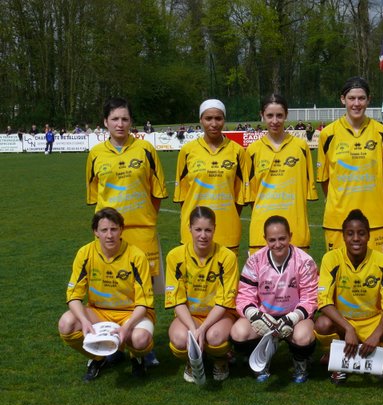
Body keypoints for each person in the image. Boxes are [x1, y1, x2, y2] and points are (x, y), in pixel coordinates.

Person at [58, 208, 155, 381]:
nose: (109, 235)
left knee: (140, 340)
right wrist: (85, 320)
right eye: (104, 230)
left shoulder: (136, 256)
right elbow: (73, 296)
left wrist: (127, 327)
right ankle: (98, 358)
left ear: (121, 230)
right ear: (95, 232)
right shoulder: (85, 253)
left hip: (132, 313)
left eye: (114, 229)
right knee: (67, 324)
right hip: (99, 312)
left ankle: (137, 357)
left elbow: (144, 303)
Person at [314, 209, 383, 384]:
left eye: (361, 233)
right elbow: (323, 301)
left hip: (372, 320)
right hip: (343, 321)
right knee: (322, 324)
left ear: (369, 236)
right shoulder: (331, 259)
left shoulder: (381, 261)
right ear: (343, 236)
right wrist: (348, 329)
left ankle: (379, 358)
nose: (356, 238)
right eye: (350, 234)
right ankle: (339, 361)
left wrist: (376, 334)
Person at [86, 98, 168, 281]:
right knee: (113, 289)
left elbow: (157, 193)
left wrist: (147, 219)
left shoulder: (146, 149)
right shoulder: (95, 154)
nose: (120, 124)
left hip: (142, 233)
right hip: (109, 234)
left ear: (131, 121)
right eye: (115, 119)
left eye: (125, 119)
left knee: (145, 295)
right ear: (105, 122)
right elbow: (95, 196)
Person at [231, 215, 318, 383]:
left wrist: (292, 318)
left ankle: (300, 361)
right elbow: (244, 295)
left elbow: (310, 298)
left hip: (295, 317)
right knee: (238, 333)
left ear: (290, 236)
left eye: (282, 238)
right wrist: (255, 316)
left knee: (303, 337)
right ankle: (261, 357)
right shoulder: (255, 261)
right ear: (265, 239)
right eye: (272, 240)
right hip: (265, 316)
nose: (277, 244)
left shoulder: (305, 262)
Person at [317, 77, 383, 253]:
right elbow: (324, 179)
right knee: (340, 276)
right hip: (338, 221)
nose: (356, 103)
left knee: (375, 276)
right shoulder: (328, 134)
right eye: (352, 98)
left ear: (369, 100)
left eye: (361, 98)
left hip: (375, 221)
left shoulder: (382, 133)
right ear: (343, 100)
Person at [165, 207, 238, 383]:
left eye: (208, 230)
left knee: (214, 337)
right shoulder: (175, 256)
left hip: (220, 316)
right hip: (190, 315)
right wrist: (193, 329)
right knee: (179, 339)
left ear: (214, 229)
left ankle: (220, 360)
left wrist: (202, 329)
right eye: (198, 229)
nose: (203, 235)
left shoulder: (227, 257)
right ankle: (193, 360)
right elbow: (178, 301)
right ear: (189, 228)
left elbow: (224, 302)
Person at [173, 99, 249, 253]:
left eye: (218, 118)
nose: (213, 123)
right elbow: (182, 196)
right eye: (208, 118)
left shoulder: (238, 151)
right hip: (193, 233)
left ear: (224, 120)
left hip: (227, 232)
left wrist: (227, 216)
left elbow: (239, 197)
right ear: (201, 120)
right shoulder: (187, 151)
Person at [246, 94, 318, 253]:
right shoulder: (252, 151)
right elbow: (251, 196)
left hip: (296, 232)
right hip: (261, 235)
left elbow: (308, 191)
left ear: (286, 115)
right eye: (270, 115)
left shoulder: (301, 148)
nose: (275, 121)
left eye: (279, 115)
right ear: (262, 115)